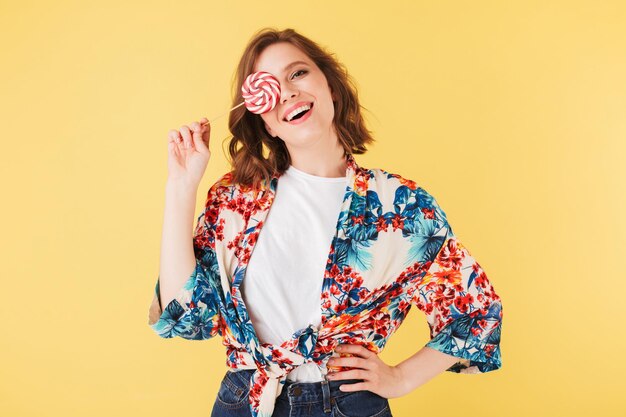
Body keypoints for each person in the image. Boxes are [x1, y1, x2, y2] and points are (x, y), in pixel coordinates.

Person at [148, 27, 503, 417]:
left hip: (347, 403)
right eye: (270, 85)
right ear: (266, 122)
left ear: (331, 87)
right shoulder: (237, 199)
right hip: (247, 400)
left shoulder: (400, 204)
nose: (287, 92)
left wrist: (401, 378)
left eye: (297, 73)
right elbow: (185, 317)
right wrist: (181, 188)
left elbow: (476, 311)